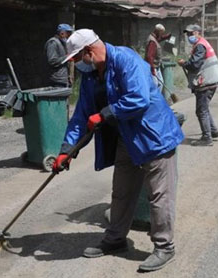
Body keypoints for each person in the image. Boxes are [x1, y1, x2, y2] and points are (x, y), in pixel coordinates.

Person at [53, 29, 184, 272]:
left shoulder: (126, 59)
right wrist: (66, 150)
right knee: (122, 192)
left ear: (89, 52)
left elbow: (138, 98)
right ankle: (115, 240)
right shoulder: (92, 76)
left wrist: (104, 114)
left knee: (159, 196)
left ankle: (165, 247)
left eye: (76, 59)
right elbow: (81, 115)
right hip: (128, 138)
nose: (76, 66)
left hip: (154, 136)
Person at [177, 24, 218, 146]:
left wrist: (184, 64)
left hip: (206, 81)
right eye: (187, 34)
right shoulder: (202, 43)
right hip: (211, 80)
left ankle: (206, 138)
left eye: (191, 33)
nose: (189, 36)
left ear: (198, 32)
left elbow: (195, 64)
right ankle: (213, 131)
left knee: (201, 111)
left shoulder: (200, 46)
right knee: (205, 108)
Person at [144, 24, 171, 92]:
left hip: (156, 66)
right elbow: (149, 56)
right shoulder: (152, 41)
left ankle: (157, 99)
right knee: (155, 84)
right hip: (152, 66)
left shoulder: (154, 38)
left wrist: (167, 36)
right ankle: (154, 100)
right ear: (158, 31)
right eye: (161, 32)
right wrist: (152, 69)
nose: (162, 34)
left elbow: (160, 39)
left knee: (160, 83)